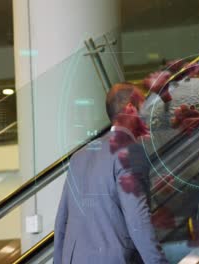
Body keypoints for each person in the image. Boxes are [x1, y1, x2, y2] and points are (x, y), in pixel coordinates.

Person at [54, 83, 169, 264]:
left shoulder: (79, 156)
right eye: (145, 105)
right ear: (131, 109)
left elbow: (62, 222)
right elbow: (137, 219)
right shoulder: (130, 151)